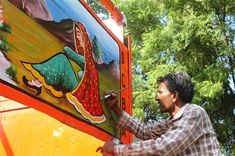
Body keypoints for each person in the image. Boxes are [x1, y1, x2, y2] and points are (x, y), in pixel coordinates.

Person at [97, 72, 221, 155]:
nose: (156, 98)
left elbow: (164, 147)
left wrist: (116, 149)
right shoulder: (172, 121)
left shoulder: (194, 113)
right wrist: (116, 108)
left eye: (160, 92)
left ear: (174, 96)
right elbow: (146, 131)